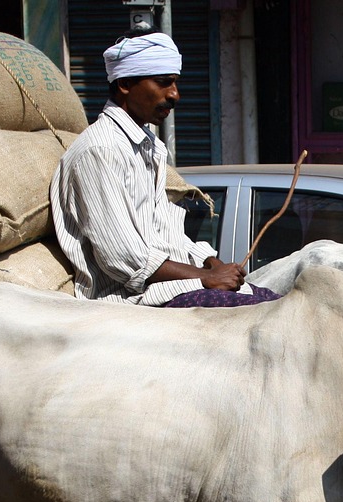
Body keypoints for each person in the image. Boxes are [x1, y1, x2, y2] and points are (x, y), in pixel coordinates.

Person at [50, 30, 279, 307]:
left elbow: (168, 236)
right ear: (124, 83)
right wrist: (206, 278)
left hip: (174, 288)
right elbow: (124, 258)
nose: (175, 95)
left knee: (280, 305)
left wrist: (211, 263)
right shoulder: (100, 151)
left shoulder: (150, 146)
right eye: (164, 83)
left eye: (175, 83)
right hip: (132, 301)